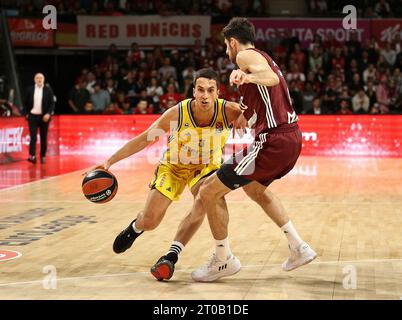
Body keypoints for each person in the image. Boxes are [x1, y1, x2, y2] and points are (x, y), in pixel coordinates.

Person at [87, 68, 245, 281]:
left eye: (210, 90)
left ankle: (171, 256)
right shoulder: (177, 113)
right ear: (193, 91)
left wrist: (248, 113)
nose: (205, 95)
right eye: (200, 90)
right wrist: (109, 161)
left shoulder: (229, 111)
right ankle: (136, 227)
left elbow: (261, 115)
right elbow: (145, 138)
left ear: (218, 92)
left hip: (205, 168)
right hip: (173, 167)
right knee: (150, 221)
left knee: (206, 197)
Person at [190, 17, 317, 282]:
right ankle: (299, 247)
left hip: (273, 139)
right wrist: (244, 117)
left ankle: (223, 260)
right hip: (291, 138)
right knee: (254, 188)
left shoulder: (245, 56)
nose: (227, 52)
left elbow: (269, 79)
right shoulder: (263, 56)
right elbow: (264, 95)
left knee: (207, 191)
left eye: (227, 46)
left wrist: (244, 74)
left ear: (233, 42)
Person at [23, 73, 55, 164]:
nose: (39, 79)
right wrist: (26, 114)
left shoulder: (48, 90)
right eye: (37, 78)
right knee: (33, 137)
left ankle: (42, 156)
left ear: (43, 79)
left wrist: (48, 114)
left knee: (43, 137)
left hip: (44, 117)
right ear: (34, 79)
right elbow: (24, 103)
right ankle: (32, 156)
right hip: (32, 116)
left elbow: (52, 103)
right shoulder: (30, 89)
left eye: (41, 78)